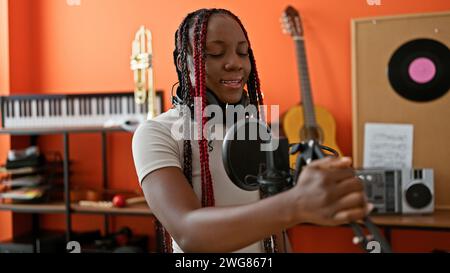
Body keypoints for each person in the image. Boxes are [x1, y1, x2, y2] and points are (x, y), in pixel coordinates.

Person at [132, 8, 371, 253]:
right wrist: (295, 204)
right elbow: (188, 233)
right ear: (183, 62)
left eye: (243, 52)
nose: (235, 63)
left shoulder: (256, 128)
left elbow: (273, 226)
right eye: (215, 53)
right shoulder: (155, 133)